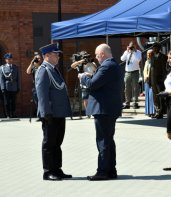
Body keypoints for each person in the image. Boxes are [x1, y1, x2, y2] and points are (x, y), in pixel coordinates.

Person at [78, 43, 123, 181]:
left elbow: (92, 84)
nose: (97, 58)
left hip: (104, 109)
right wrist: (91, 75)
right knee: (108, 140)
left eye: (97, 55)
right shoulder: (111, 65)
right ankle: (110, 170)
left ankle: (103, 171)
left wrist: (83, 77)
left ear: (102, 54)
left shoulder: (107, 66)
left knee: (103, 140)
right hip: (108, 108)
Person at [35, 43, 72, 181]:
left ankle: (57, 169)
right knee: (49, 143)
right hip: (50, 113)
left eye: (57, 54)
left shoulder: (53, 69)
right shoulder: (43, 70)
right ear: (47, 56)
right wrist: (46, 113)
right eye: (55, 54)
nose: (58, 56)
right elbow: (42, 93)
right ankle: (48, 171)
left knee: (57, 142)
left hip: (58, 112)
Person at [121, 41, 142, 109]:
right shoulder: (127, 52)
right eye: (130, 46)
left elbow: (138, 60)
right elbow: (122, 59)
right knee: (127, 88)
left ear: (135, 46)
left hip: (135, 72)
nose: (131, 48)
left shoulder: (138, 52)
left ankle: (135, 102)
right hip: (127, 72)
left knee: (135, 88)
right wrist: (127, 51)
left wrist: (134, 52)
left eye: (132, 46)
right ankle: (127, 103)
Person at [150, 42, 167, 119]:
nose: (154, 49)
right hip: (153, 80)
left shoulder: (163, 57)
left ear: (159, 48)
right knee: (155, 97)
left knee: (160, 96)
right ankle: (157, 110)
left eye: (155, 47)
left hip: (160, 80)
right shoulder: (152, 57)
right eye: (153, 47)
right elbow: (151, 69)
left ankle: (161, 112)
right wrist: (150, 80)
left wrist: (164, 79)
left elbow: (164, 69)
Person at [0, 53, 20, 118]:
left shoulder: (15, 67)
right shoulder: (2, 68)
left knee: (13, 101)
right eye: (8, 59)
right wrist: (2, 88)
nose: (10, 60)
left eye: (11, 59)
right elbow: (1, 78)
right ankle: (7, 114)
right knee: (7, 102)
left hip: (14, 86)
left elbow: (18, 78)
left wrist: (18, 87)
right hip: (6, 87)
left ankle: (13, 114)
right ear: (6, 60)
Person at [26, 52, 43, 120]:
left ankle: (43, 115)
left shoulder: (42, 66)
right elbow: (28, 72)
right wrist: (31, 63)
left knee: (42, 101)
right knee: (36, 101)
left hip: (42, 86)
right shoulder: (33, 66)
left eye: (39, 58)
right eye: (36, 58)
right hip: (35, 87)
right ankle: (39, 116)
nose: (38, 60)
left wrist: (37, 65)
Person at [143, 49, 155, 117]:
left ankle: (152, 111)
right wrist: (145, 76)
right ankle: (148, 111)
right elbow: (144, 71)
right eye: (148, 54)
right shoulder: (146, 62)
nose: (149, 55)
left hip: (152, 81)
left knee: (151, 96)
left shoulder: (154, 61)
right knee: (147, 96)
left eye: (150, 54)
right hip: (146, 81)